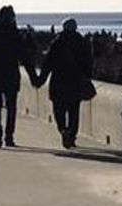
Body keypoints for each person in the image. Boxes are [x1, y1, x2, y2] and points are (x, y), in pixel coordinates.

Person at [0, 6, 40, 148]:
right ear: (11, 17)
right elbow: (25, 57)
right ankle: (9, 135)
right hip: (11, 74)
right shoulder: (14, 34)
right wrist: (33, 77)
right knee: (11, 107)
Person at [37, 18, 94, 149]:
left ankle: (63, 129)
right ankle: (72, 136)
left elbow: (47, 63)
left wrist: (41, 80)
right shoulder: (82, 42)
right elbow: (88, 62)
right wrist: (87, 77)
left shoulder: (57, 42)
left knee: (59, 110)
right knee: (74, 111)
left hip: (58, 82)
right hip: (75, 82)